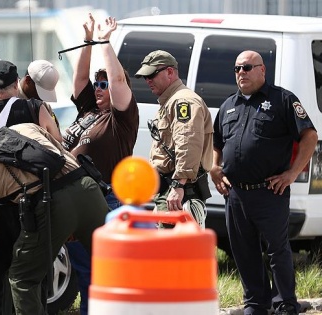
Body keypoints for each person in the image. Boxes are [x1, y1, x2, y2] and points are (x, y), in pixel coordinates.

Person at [0, 123, 108, 315]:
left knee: (23, 278)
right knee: (111, 263)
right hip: (87, 187)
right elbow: (60, 152)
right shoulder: (24, 127)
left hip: (55, 205)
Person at [211, 50, 318, 315]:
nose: (241, 73)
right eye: (237, 68)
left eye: (247, 67)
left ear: (262, 70)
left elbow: (310, 136)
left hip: (269, 191)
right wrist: (214, 167)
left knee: (277, 251)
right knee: (243, 252)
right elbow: (217, 143)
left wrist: (292, 173)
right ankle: (256, 304)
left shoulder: (282, 100)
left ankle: (284, 304)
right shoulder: (228, 106)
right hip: (235, 194)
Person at [0, 59, 61, 315]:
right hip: (29, 207)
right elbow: (58, 147)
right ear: (17, 83)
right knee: (30, 276)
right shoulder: (36, 108)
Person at [62, 14, 139, 314]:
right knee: (85, 272)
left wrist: (105, 42)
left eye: (103, 84)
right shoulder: (89, 110)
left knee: (98, 275)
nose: (98, 88)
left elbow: (118, 79)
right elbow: (80, 79)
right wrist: (88, 40)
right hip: (77, 200)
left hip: (104, 199)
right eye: (98, 84)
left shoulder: (121, 118)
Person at [134, 50, 213, 225]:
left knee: (170, 250)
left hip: (180, 191)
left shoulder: (183, 101)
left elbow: (188, 143)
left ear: (170, 72)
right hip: (172, 189)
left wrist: (178, 186)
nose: (148, 81)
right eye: (145, 77)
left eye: (152, 75)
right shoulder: (170, 101)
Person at [0, 60, 62, 142]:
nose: (42, 98)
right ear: (19, 81)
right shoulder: (35, 108)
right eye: (39, 92)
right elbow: (57, 141)